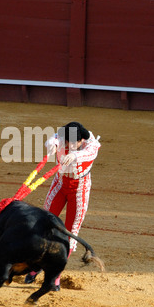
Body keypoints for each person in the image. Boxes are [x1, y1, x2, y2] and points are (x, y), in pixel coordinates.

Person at [25, 121, 101, 290]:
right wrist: (51, 147)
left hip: (79, 189)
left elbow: (88, 153)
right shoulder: (62, 138)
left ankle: (55, 275)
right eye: (68, 142)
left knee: (71, 230)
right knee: (44, 221)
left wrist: (74, 155)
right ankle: (37, 265)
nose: (71, 145)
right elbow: (52, 140)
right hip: (60, 184)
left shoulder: (91, 144)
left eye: (75, 142)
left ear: (82, 140)